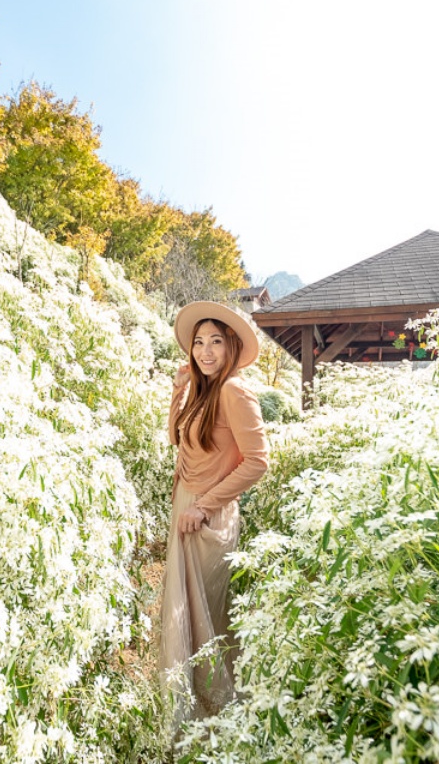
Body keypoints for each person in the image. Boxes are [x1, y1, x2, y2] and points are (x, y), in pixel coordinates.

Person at [159, 301, 269, 730]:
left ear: (231, 347)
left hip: (207, 517)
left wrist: (204, 506)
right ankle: (187, 708)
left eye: (215, 342)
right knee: (186, 611)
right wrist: (178, 390)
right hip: (186, 508)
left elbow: (258, 461)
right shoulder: (205, 389)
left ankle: (211, 712)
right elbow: (175, 438)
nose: (205, 351)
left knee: (204, 615)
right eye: (199, 342)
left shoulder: (234, 391)